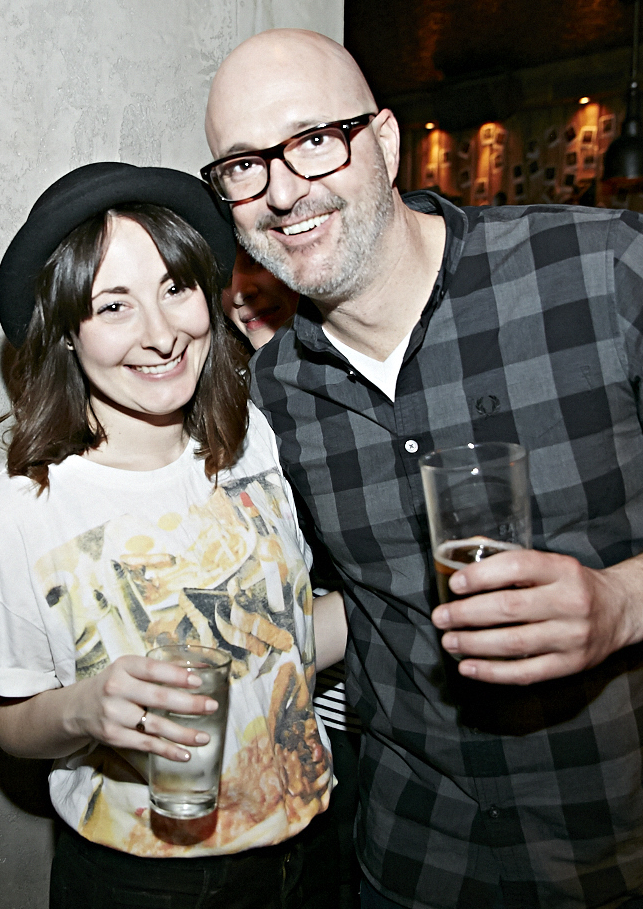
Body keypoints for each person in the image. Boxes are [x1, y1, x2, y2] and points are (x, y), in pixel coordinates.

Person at [201, 29, 643, 909]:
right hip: (420, 858)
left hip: (641, 842)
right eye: (243, 165)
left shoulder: (604, 269)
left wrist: (627, 601)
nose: (283, 190)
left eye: (315, 141)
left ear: (385, 142)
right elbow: (338, 601)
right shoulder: (276, 391)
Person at [0, 162, 345, 909]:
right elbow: (5, 719)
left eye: (174, 288)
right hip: (148, 881)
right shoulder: (16, 514)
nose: (161, 335)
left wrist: (409, 590)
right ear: (66, 332)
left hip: (314, 847)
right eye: (113, 306)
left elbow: (284, 642)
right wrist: (84, 710)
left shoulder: (251, 441)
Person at [223, 247, 363, 909]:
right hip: (292, 728)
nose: (245, 288)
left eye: (259, 261)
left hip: (382, 720)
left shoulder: (358, 391)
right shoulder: (225, 414)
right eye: (227, 272)